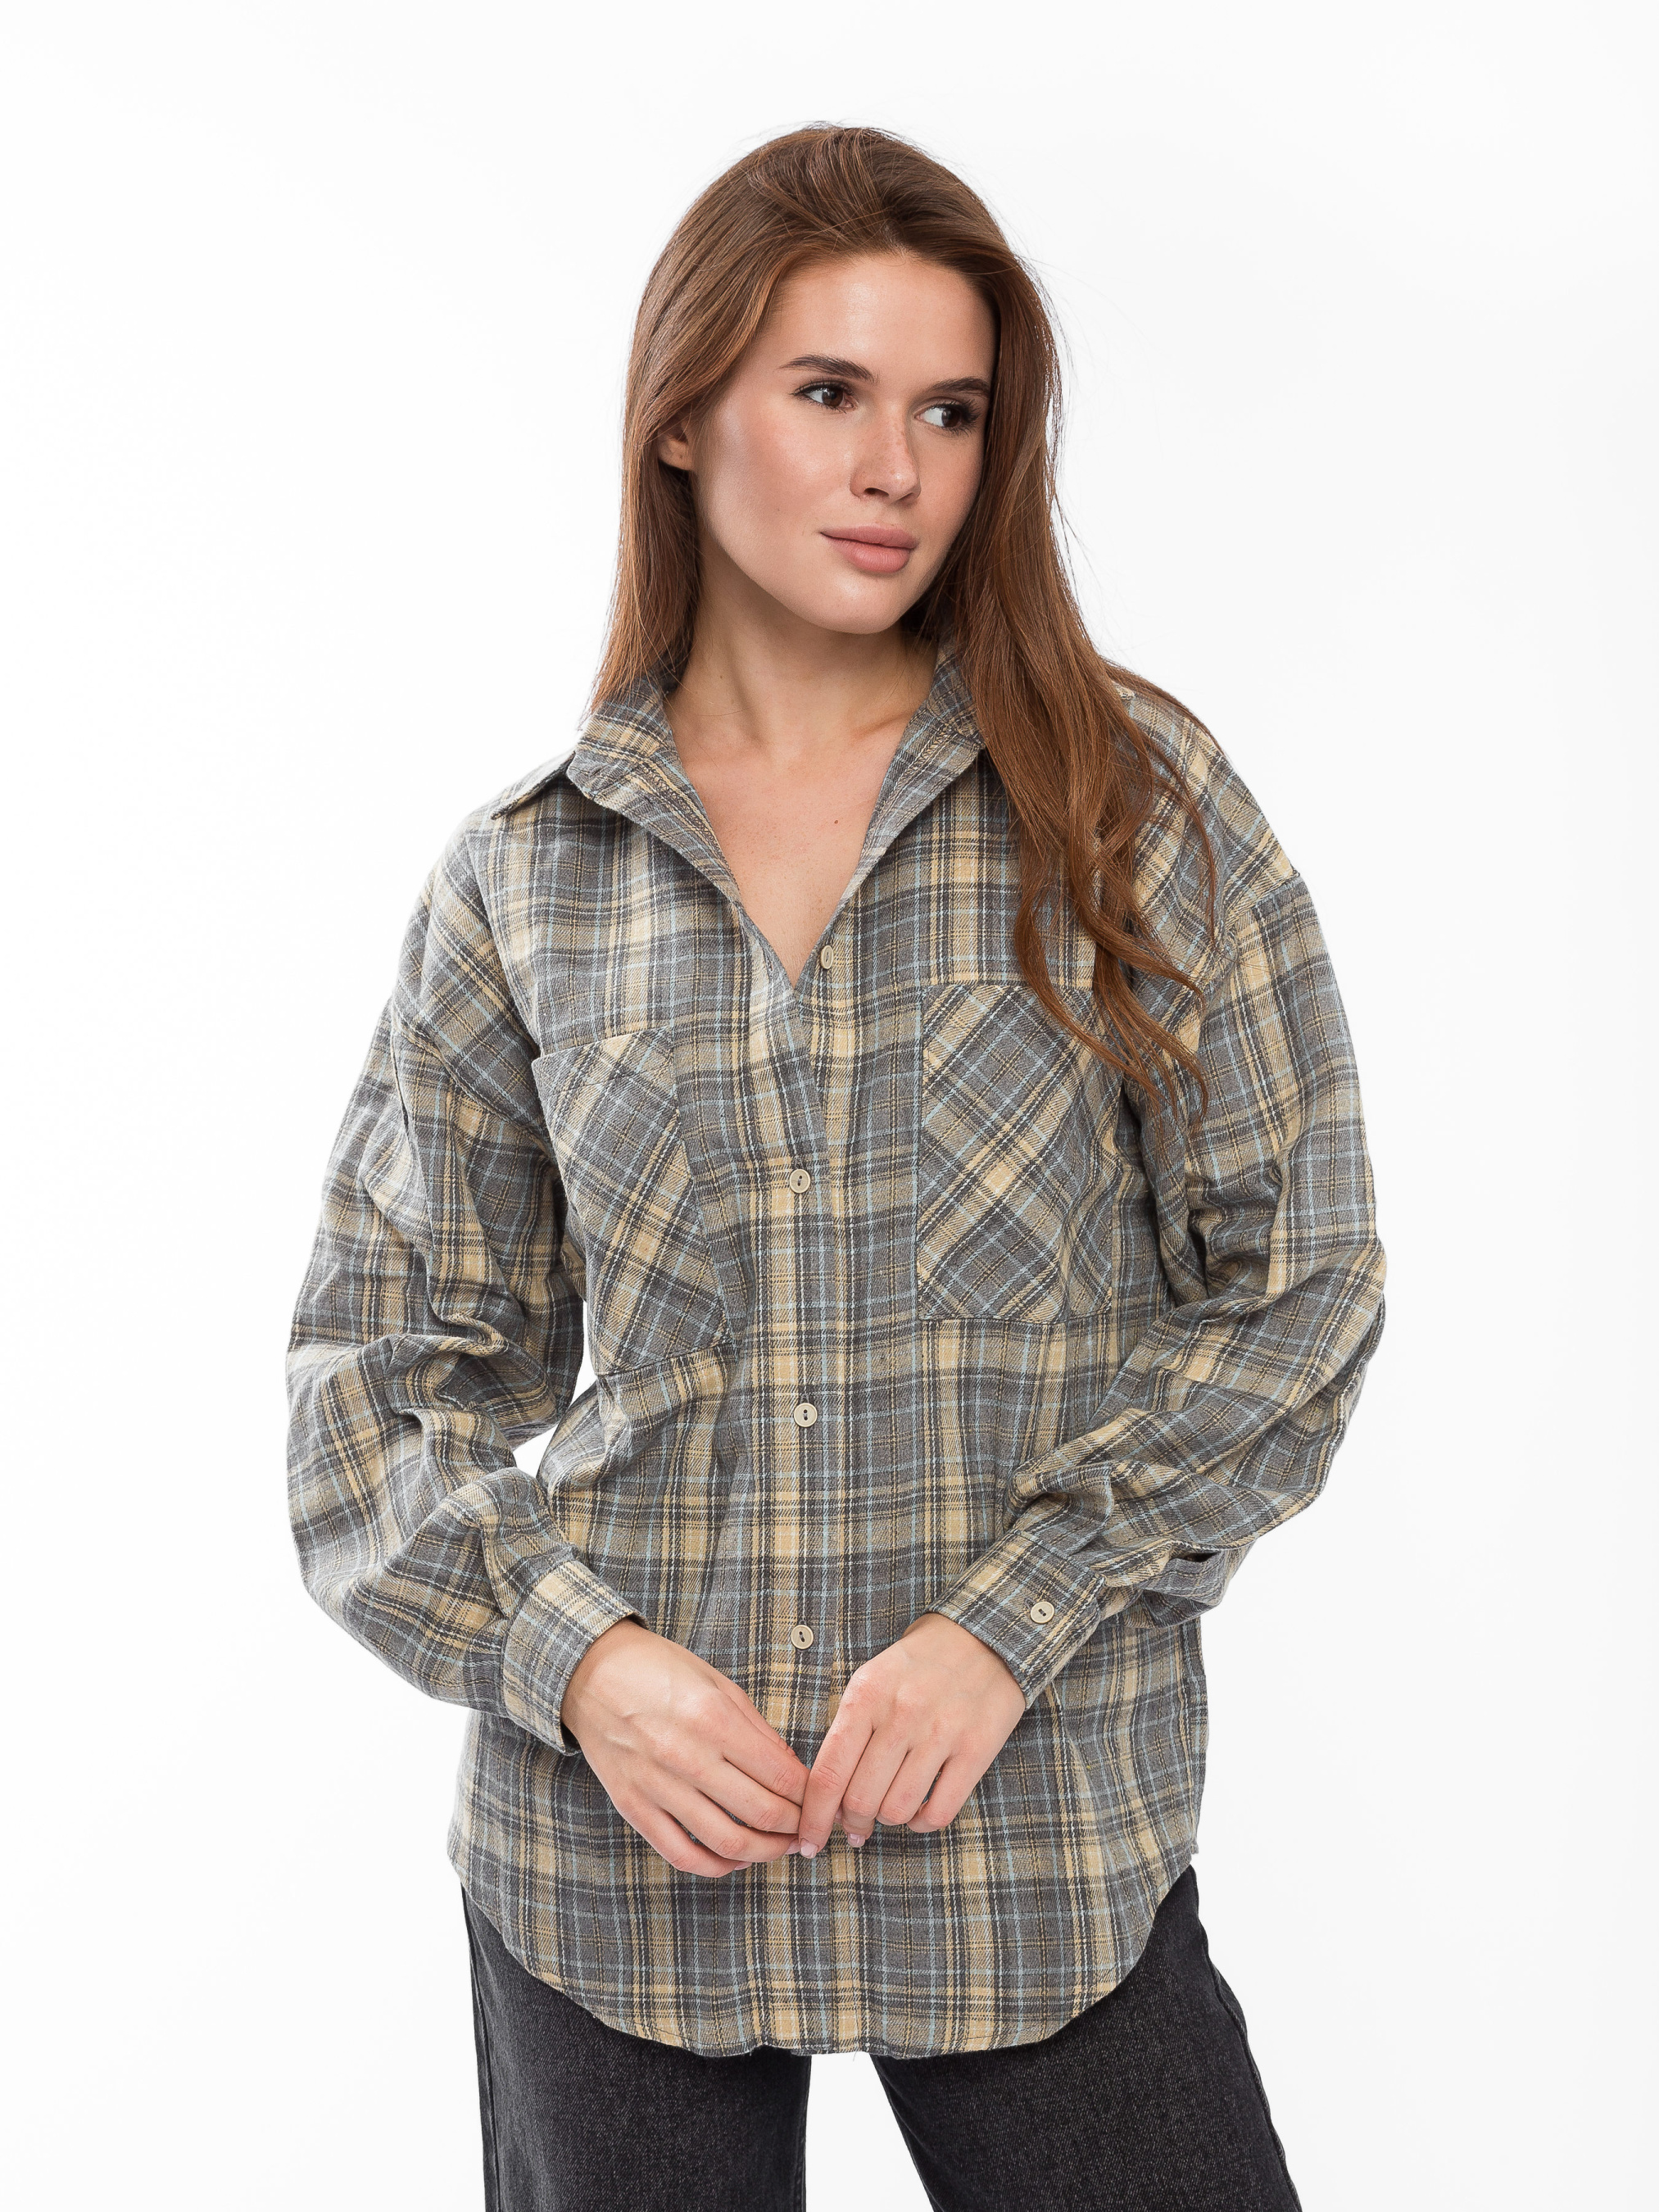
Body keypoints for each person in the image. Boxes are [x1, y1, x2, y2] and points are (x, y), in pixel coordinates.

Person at [287, 123, 1385, 2212]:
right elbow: (373, 1389)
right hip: (614, 1874)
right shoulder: (526, 881)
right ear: (682, 414)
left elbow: (1294, 1281)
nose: (897, 470)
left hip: (1035, 1840)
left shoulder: (1128, 808)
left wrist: (1010, 1618)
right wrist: (581, 1662)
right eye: (828, 394)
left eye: (949, 412)